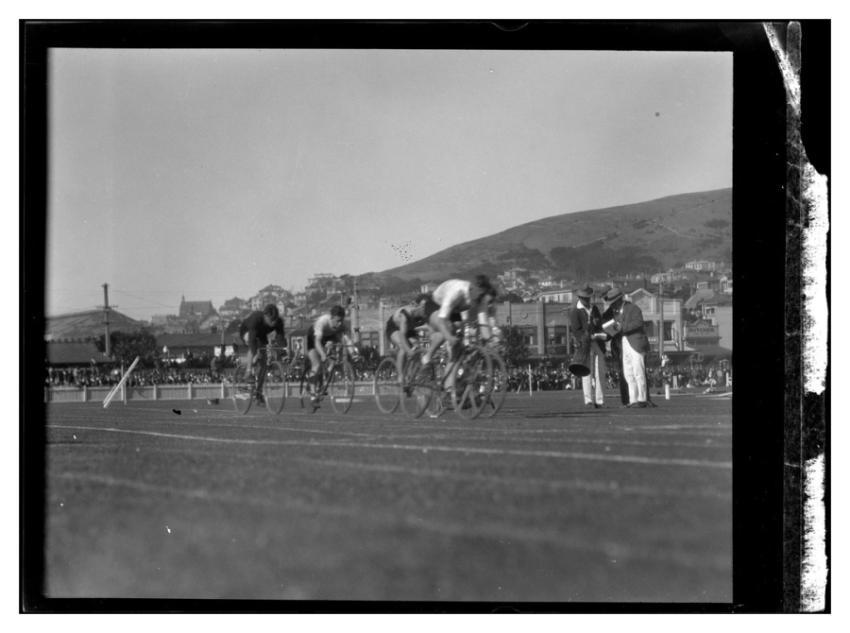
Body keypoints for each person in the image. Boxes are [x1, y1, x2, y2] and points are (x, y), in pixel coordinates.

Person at [422, 275, 498, 366]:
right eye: (479, 295)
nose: (479, 299)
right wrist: (449, 337)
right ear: (472, 288)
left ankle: (451, 367)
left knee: (457, 347)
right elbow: (442, 320)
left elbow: (483, 324)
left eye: (482, 296)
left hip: (454, 310)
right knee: (447, 329)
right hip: (435, 305)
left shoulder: (480, 298)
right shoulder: (456, 291)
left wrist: (490, 341)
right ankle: (427, 357)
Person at [602, 287, 650, 407]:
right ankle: (633, 399)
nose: (612, 305)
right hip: (624, 342)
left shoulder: (633, 308)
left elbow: (639, 323)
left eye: (613, 303)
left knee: (638, 371)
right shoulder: (616, 312)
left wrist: (622, 328)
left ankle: (642, 399)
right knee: (628, 373)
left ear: (619, 300)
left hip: (635, 342)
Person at [568, 286, 607, 408]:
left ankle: (600, 400)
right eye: (585, 298)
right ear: (580, 298)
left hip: (597, 342)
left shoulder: (594, 309)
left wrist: (598, 330)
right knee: (587, 373)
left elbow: (600, 325)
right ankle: (588, 399)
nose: (587, 300)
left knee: (600, 372)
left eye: (588, 298)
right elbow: (576, 330)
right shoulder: (575, 311)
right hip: (585, 344)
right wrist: (586, 337)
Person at [238, 304, 285, 404]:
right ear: (265, 316)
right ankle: (248, 372)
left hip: (261, 335)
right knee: (254, 348)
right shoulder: (256, 319)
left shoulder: (278, 322)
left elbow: (281, 338)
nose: (273, 322)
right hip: (247, 331)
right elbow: (252, 341)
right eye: (270, 320)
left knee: (263, 365)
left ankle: (258, 393)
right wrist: (255, 352)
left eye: (275, 320)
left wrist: (283, 351)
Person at [306, 305, 357, 396]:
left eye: (341, 321)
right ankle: (312, 393)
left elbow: (348, 341)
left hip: (328, 336)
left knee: (333, 358)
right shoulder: (322, 322)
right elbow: (317, 342)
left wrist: (353, 354)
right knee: (316, 364)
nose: (340, 324)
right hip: (314, 337)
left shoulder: (341, 326)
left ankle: (324, 380)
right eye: (338, 321)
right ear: (331, 318)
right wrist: (322, 354)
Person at [386, 293, 437, 370]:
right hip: (394, 328)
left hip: (409, 329)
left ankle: (411, 374)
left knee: (416, 348)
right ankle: (400, 375)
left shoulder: (425, 315)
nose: (426, 309)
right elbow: (402, 335)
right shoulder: (406, 313)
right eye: (423, 307)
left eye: (427, 307)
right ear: (417, 306)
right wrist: (408, 350)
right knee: (403, 347)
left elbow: (432, 330)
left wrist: (434, 348)